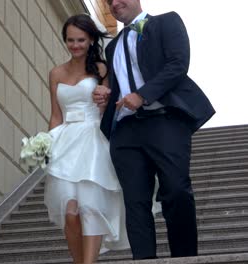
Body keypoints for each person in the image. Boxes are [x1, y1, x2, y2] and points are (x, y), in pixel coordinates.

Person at [93, 0, 215, 260]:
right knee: (135, 203)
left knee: (177, 190)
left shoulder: (166, 21)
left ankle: (185, 258)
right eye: (109, 1)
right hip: (125, 130)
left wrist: (142, 95)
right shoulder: (112, 46)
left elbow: (178, 64)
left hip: (164, 121)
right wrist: (107, 93)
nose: (115, 4)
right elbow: (121, 84)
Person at [44, 14, 129, 264]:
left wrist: (106, 94)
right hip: (64, 143)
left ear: (91, 39)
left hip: (93, 140)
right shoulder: (56, 73)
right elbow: (55, 115)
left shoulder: (102, 68)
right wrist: (46, 146)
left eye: (81, 40)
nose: (75, 45)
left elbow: (112, 107)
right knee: (70, 211)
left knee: (90, 208)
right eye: (70, 40)